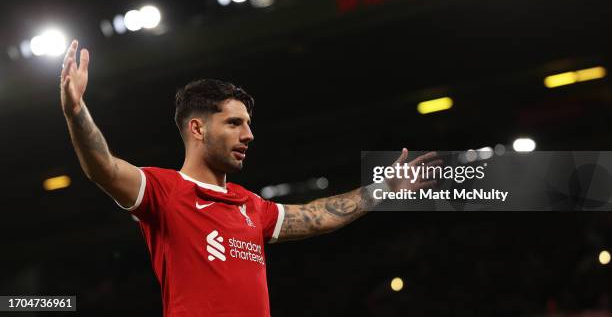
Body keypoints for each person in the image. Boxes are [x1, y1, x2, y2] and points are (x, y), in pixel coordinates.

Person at [60, 39, 440, 316]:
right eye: (234, 123)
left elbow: (318, 215)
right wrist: (76, 111)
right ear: (197, 128)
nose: (249, 135)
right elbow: (103, 167)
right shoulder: (165, 191)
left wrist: (383, 189)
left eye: (248, 124)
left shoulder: (251, 207)